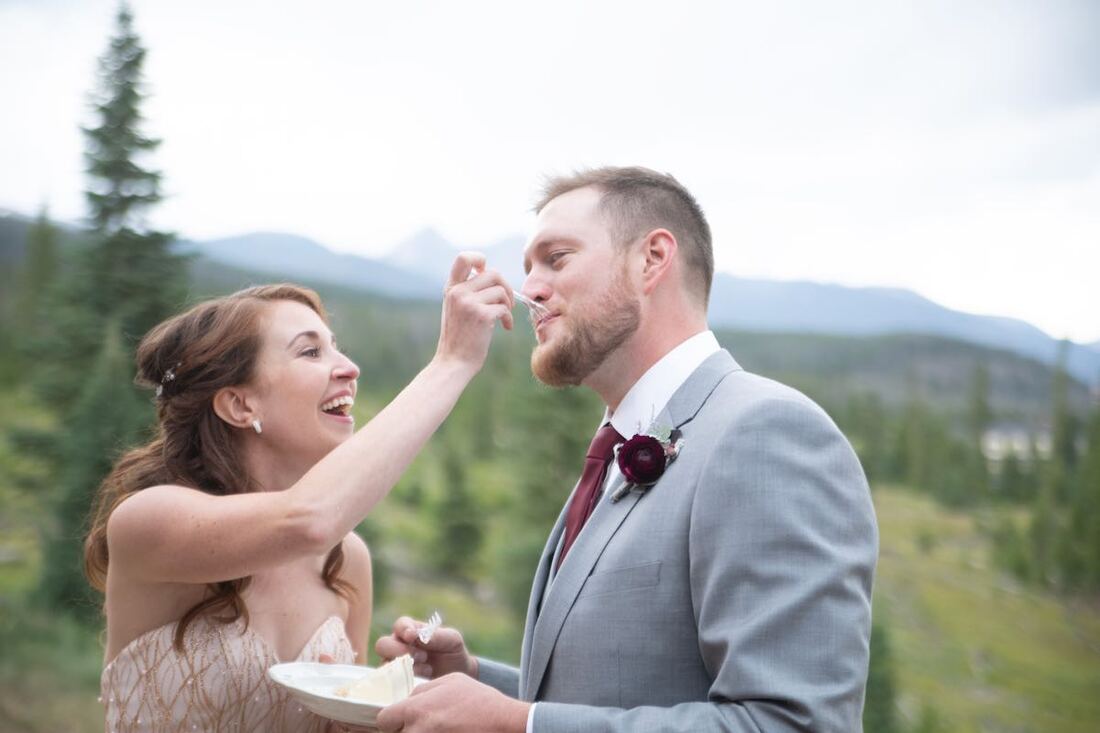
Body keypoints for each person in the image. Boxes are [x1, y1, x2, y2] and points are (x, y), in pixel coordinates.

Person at [375, 167, 879, 732]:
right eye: (528, 270)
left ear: (652, 259)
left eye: (557, 258)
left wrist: (517, 727)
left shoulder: (765, 433)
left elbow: (793, 724)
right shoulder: (621, 447)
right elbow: (624, 688)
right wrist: (472, 681)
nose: (530, 290)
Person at [89, 254, 514, 732]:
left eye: (337, 348)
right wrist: (452, 362)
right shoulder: (149, 519)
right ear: (238, 403)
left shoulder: (346, 557)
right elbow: (308, 520)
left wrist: (385, 700)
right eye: (311, 352)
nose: (350, 368)